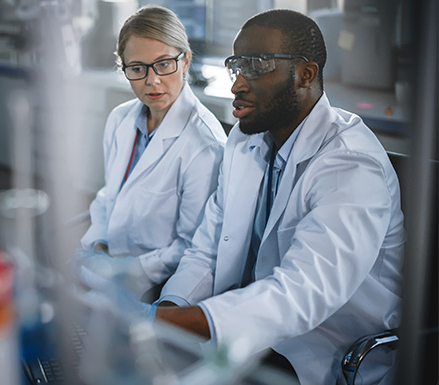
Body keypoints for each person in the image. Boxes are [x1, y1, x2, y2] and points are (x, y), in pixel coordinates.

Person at [112, 9, 404, 385]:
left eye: (257, 66)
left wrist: (164, 322)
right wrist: (166, 315)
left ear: (305, 75)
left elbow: (299, 296)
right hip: (247, 340)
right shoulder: (246, 139)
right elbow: (208, 249)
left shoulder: (350, 165)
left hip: (321, 354)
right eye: (237, 66)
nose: (236, 84)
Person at [77, 6, 227, 299]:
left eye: (163, 64)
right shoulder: (120, 120)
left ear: (185, 62)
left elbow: (192, 245)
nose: (152, 80)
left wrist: (127, 270)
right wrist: (99, 246)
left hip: (155, 282)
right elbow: (110, 196)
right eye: (137, 68)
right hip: (108, 261)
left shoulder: (205, 145)